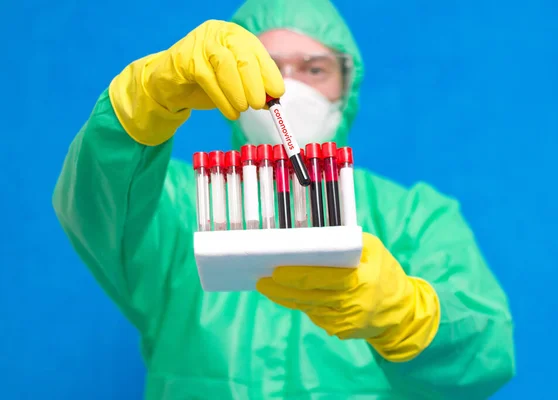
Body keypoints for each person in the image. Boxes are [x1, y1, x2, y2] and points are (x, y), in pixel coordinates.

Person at [52, 0, 515, 398]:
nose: (286, 90)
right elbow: (95, 205)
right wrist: (145, 100)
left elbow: (486, 356)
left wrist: (404, 315)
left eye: (314, 70)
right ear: (221, 82)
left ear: (346, 85)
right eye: (267, 71)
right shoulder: (176, 206)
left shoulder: (412, 217)